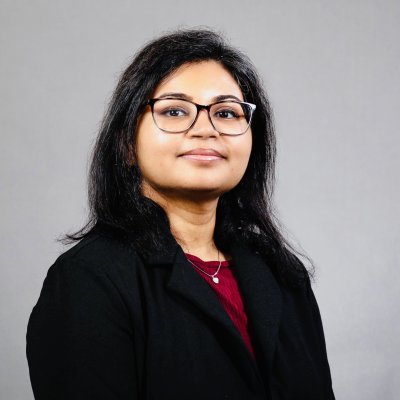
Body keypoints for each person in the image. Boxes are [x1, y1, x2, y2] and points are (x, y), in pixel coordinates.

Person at [26, 29, 335, 400]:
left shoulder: (283, 273)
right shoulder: (88, 279)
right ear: (127, 143)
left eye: (226, 113)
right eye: (174, 111)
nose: (206, 129)